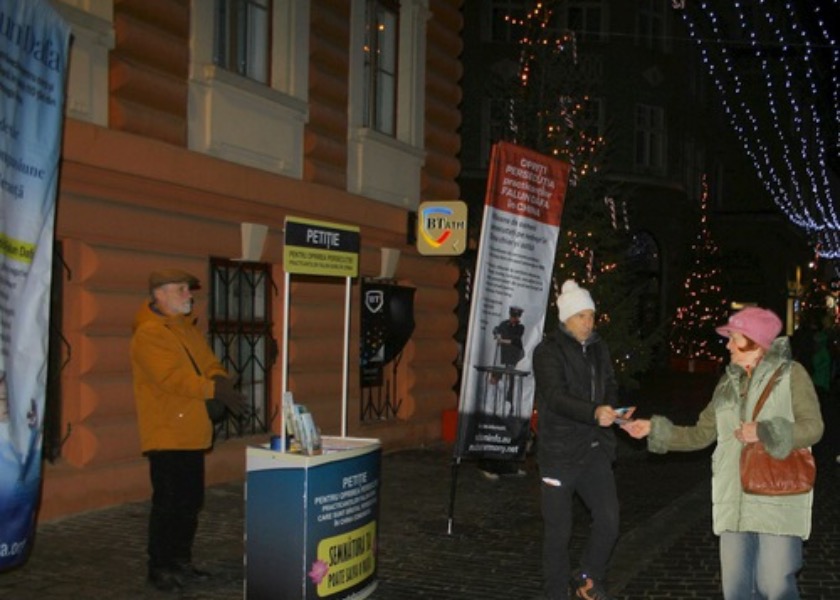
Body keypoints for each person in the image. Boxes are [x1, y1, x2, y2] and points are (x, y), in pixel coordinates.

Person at [623, 306, 824, 600]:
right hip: (734, 499)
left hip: (778, 496)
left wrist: (765, 431)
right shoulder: (727, 384)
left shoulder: (791, 375)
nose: (727, 344)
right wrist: (652, 430)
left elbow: (813, 427)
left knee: (775, 585)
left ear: (754, 341)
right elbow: (701, 434)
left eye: (733, 337)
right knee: (737, 591)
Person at [131, 268, 246, 591]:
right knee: (169, 502)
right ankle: (160, 567)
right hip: (167, 432)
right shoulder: (150, 333)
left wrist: (220, 378)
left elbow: (208, 362)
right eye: (181, 289)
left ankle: (181, 561)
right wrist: (214, 391)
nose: (188, 295)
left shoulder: (185, 329)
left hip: (191, 430)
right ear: (160, 294)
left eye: (187, 289)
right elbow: (170, 379)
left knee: (189, 501)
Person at [532, 280, 630, 600]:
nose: (588, 323)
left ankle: (588, 576)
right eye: (581, 316)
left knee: (609, 519)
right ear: (566, 318)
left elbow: (610, 384)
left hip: (594, 449)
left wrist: (615, 412)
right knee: (558, 532)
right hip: (558, 453)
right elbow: (555, 397)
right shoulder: (547, 351)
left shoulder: (599, 348)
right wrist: (593, 412)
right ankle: (557, 593)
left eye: (591, 316)